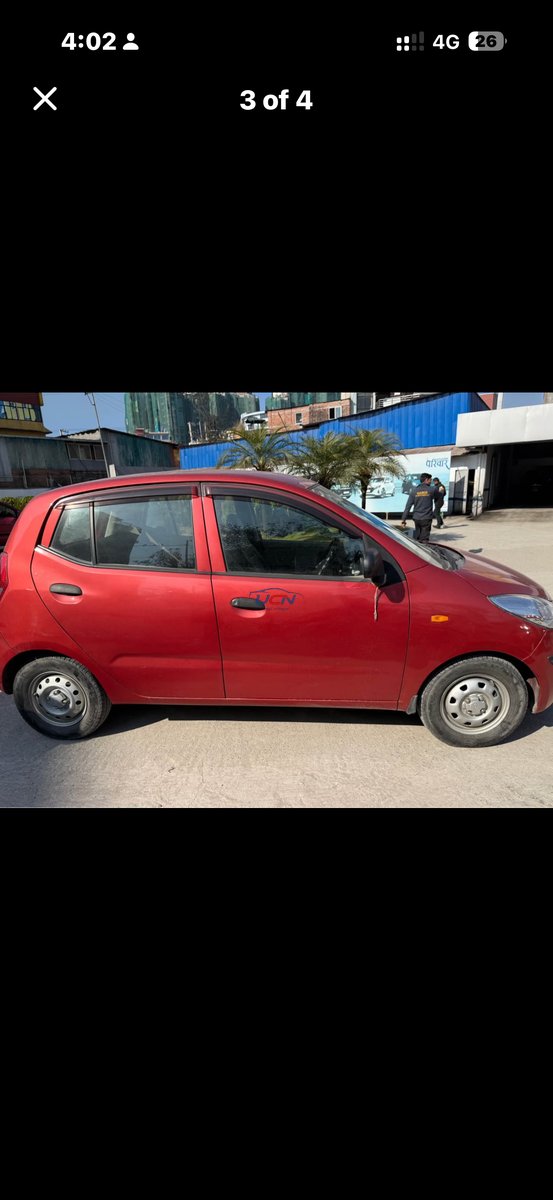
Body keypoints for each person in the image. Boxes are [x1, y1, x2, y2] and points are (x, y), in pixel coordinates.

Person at [400, 473, 436, 542]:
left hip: (417, 518)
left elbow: (408, 506)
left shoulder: (414, 491)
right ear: (426, 480)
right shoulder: (431, 490)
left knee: (418, 536)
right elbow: (440, 496)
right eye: (430, 480)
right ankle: (423, 551)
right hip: (426, 518)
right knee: (424, 539)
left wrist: (403, 519)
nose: (431, 482)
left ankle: (418, 548)